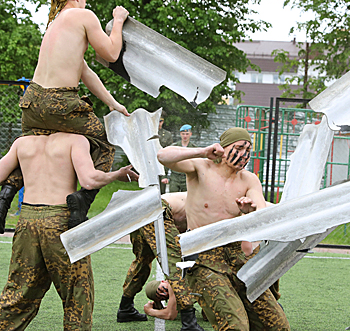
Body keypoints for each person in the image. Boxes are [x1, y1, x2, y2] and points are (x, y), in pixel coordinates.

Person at [0, 0, 129, 233]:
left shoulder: (53, 27)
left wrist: (113, 103)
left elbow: (86, 72)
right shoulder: (83, 15)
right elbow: (112, 53)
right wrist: (119, 19)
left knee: (32, 149)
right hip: (60, 101)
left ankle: (5, 194)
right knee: (104, 142)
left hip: (32, 102)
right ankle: (83, 200)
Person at [152, 129, 291, 331]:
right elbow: (162, 156)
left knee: (278, 326)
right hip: (203, 256)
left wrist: (249, 211)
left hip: (237, 256)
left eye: (248, 149)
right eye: (239, 147)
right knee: (235, 326)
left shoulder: (248, 179)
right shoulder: (201, 167)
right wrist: (202, 151)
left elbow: (262, 215)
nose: (244, 153)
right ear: (224, 148)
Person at [0, 130, 136, 331]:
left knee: (18, 293)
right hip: (61, 221)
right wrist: (117, 174)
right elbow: (89, 180)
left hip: (27, 221)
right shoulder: (75, 140)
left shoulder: (23, 142)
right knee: (77, 292)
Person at [118, 195, 198, 330]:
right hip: (157, 208)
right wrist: (149, 310)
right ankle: (189, 322)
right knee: (178, 263)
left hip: (141, 206)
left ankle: (125, 307)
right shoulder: (212, 208)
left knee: (142, 261)